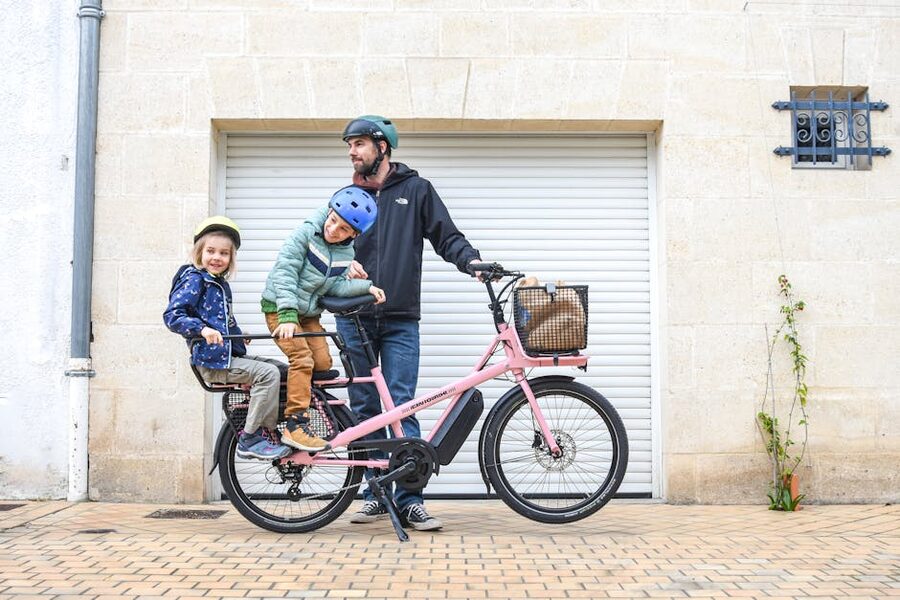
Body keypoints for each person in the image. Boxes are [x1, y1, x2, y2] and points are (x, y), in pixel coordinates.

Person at [338, 115, 484, 531]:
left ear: (383, 147)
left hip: (400, 317)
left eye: (360, 143)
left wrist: (470, 261)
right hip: (354, 318)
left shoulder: (416, 190)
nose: (353, 152)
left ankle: (410, 498)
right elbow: (324, 245)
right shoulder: (347, 195)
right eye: (350, 145)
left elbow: (447, 236)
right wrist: (341, 267)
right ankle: (374, 493)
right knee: (365, 409)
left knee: (404, 405)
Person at [261, 186, 386, 453]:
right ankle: (295, 423)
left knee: (323, 364)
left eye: (343, 230)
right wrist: (286, 315)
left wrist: (367, 288)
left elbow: (336, 287)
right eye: (333, 221)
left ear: (354, 235)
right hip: (281, 310)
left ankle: (293, 393)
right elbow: (285, 273)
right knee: (303, 359)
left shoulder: (345, 254)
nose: (333, 230)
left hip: (308, 315)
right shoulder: (305, 234)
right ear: (329, 211)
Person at [164, 216, 291, 461]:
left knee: (283, 370)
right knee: (268, 374)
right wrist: (201, 330)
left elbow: (222, 321)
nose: (216, 258)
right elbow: (173, 315)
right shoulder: (194, 279)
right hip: (212, 362)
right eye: (211, 251)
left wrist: (238, 336)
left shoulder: (219, 284)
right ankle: (250, 438)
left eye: (224, 253)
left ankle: (269, 429)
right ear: (199, 252)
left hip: (228, 355)